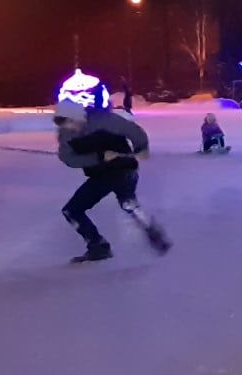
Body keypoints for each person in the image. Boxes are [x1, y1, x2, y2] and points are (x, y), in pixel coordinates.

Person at [55, 98, 172, 263]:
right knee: (72, 210)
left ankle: (151, 231)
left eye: (71, 122)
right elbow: (68, 158)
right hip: (99, 174)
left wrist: (141, 148)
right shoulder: (65, 132)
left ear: (79, 116)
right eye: (65, 125)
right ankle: (98, 246)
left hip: (124, 167)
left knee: (127, 201)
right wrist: (99, 157)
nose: (70, 128)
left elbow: (135, 131)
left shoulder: (105, 120)